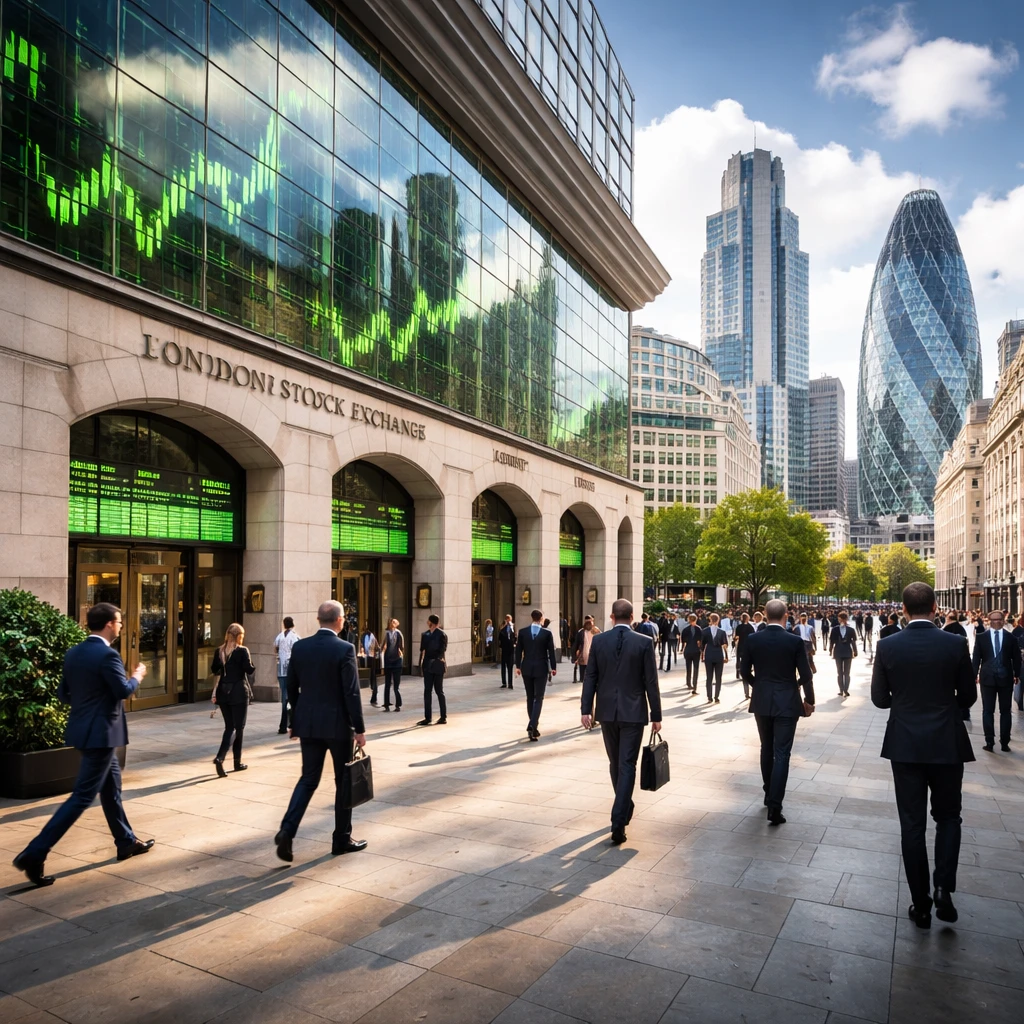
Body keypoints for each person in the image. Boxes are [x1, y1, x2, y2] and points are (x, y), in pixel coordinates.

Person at [12, 603, 154, 887]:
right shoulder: (107, 656)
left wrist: (88, 704)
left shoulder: (74, 653)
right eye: (119, 622)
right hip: (101, 735)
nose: (121, 626)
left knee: (112, 789)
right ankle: (34, 853)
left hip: (86, 731)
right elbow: (122, 691)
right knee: (82, 797)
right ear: (109, 624)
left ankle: (126, 841)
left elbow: (63, 693)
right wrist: (138, 675)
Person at [871, 582, 976, 929]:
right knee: (949, 817)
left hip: (906, 744)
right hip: (947, 741)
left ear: (903, 609)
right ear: (935, 608)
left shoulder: (887, 645)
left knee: (912, 825)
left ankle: (920, 903)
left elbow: (880, 699)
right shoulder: (956, 643)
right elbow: (968, 698)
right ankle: (944, 886)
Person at [275, 600, 366, 861]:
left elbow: (290, 688)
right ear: (339, 620)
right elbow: (351, 692)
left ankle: (287, 830)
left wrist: (294, 720)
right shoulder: (345, 649)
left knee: (308, 779)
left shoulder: (301, 647)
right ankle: (341, 839)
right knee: (343, 781)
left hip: (309, 724)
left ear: (318, 620)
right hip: (338, 726)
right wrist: (359, 728)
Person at [581, 599, 662, 845]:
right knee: (626, 764)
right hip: (634, 712)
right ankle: (621, 814)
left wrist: (586, 710)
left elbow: (590, 677)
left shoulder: (599, 640)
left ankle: (620, 813)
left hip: (606, 712)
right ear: (632, 616)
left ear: (612, 617)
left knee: (615, 762)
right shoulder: (644, 642)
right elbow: (651, 681)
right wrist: (656, 715)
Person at [739, 598, 814, 826]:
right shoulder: (794, 641)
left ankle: (767, 792)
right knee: (782, 753)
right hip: (787, 701)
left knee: (766, 747)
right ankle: (775, 804)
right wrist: (808, 699)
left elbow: (744, 671)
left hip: (762, 700)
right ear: (786, 615)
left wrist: (758, 685)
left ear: (764, 614)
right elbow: (807, 674)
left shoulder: (753, 639)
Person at [971, 609, 1021, 753]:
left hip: (1006, 679)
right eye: (993, 620)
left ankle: (1005, 741)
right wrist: (973, 675)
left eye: (999, 619)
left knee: (1006, 711)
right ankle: (989, 740)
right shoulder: (981, 637)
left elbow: (1016, 658)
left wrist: (1017, 674)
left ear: (1003, 620)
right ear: (989, 621)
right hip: (987, 679)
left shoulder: (1011, 638)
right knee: (988, 710)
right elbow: (976, 658)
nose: (997, 622)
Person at [210, 623, 255, 777]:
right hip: (238, 692)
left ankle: (236, 762)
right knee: (238, 727)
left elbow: (214, 669)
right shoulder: (242, 651)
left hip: (223, 692)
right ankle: (221, 757)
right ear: (239, 636)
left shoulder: (219, 650)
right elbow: (249, 669)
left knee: (230, 727)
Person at [516, 609, 558, 740]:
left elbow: (518, 650)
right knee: (538, 697)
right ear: (541, 618)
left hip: (526, 667)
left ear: (531, 617)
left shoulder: (523, 632)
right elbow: (551, 651)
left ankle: (532, 728)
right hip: (541, 668)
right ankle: (532, 724)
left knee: (530, 697)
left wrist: (518, 666)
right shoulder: (546, 633)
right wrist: (553, 667)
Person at [418, 614, 448, 725]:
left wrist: (435, 658)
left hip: (437, 665)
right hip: (427, 665)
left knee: (439, 691)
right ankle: (427, 717)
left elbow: (442, 650)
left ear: (432, 623)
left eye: (429, 621)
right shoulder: (425, 634)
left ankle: (443, 716)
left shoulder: (442, 635)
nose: (427, 623)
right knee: (427, 691)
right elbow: (422, 650)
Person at [274, 617, 301, 734]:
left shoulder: (280, 636)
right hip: (291, 670)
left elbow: (275, 647)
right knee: (291, 698)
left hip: (281, 670)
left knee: (285, 698)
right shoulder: (295, 636)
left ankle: (284, 724)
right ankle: (290, 723)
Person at [701, 612, 729, 703]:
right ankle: (717, 696)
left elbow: (702, 645)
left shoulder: (705, 631)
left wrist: (702, 655)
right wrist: (726, 656)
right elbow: (725, 646)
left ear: (710, 619)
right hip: (718, 655)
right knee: (718, 677)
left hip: (709, 654)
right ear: (718, 620)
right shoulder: (722, 632)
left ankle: (709, 696)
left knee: (709, 677)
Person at [829, 612, 858, 697]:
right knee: (843, 672)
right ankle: (844, 689)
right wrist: (855, 651)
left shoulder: (838, 629)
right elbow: (853, 641)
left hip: (842, 652)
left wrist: (830, 650)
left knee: (843, 672)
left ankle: (843, 689)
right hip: (844, 652)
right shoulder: (848, 629)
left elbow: (832, 641)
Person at [571, 615, 600, 688]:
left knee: (593, 676)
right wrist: (574, 657)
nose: (588, 623)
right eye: (587, 622)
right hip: (583, 658)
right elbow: (576, 645)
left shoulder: (596, 631)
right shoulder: (581, 632)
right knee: (583, 678)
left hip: (594, 657)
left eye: (590, 621)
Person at [382, 618, 404, 712]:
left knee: (396, 686)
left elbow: (402, 647)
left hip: (397, 662)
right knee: (387, 684)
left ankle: (398, 705)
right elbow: (383, 646)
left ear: (397, 624)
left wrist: (400, 653)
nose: (392, 623)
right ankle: (386, 704)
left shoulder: (399, 633)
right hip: (388, 662)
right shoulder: (386, 633)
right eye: (391, 622)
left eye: (394, 622)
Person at [679, 613, 703, 693]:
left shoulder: (685, 630)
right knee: (696, 668)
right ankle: (694, 685)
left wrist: (682, 649)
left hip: (688, 650)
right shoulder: (699, 629)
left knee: (688, 667)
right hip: (696, 650)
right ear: (696, 620)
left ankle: (688, 683)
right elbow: (700, 641)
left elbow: (683, 642)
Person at [734, 612, 755, 695]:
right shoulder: (750, 627)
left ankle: (739, 672)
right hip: (749, 648)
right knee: (748, 665)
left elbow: (736, 637)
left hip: (741, 647)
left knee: (741, 662)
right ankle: (749, 690)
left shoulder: (739, 627)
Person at [361, 624, 381, 706]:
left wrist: (376, 658)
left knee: (373, 678)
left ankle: (374, 695)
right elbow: (361, 645)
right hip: (364, 658)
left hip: (372, 659)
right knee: (366, 678)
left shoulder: (373, 637)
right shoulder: (363, 636)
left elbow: (377, 648)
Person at [498, 614, 517, 688]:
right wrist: (504, 626)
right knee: (503, 666)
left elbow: (515, 635)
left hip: (511, 649)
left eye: (509, 619)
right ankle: (504, 683)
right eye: (507, 619)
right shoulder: (503, 627)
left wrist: (515, 643)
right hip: (504, 648)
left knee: (510, 666)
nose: (508, 621)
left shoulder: (513, 626)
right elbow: (500, 637)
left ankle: (510, 683)